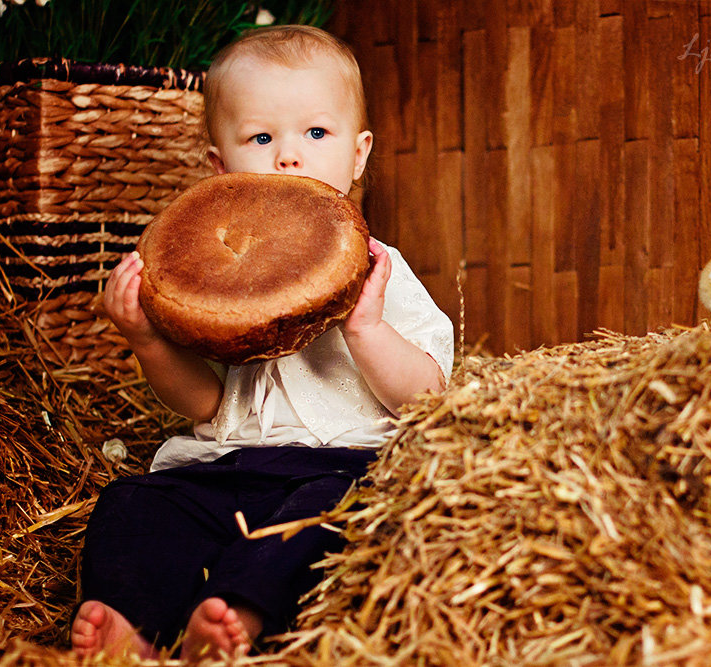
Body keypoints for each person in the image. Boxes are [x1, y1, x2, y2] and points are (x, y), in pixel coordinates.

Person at [70, 25, 454, 661]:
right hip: (227, 465)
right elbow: (203, 404)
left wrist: (366, 328)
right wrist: (145, 337)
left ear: (359, 156)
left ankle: (235, 619)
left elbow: (428, 394)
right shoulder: (215, 291)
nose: (288, 158)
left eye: (315, 133)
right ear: (220, 172)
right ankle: (129, 626)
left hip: (340, 465)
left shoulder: (382, 269)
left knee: (324, 519)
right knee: (134, 503)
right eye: (261, 138)